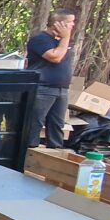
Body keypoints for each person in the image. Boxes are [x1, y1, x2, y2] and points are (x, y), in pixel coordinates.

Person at [25, 9, 76, 148]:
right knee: (35, 122)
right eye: (69, 22)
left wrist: (64, 39)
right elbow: (55, 57)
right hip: (43, 88)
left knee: (57, 125)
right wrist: (65, 38)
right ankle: (29, 151)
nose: (72, 25)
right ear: (57, 24)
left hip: (61, 89)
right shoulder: (40, 39)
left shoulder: (63, 41)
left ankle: (55, 151)